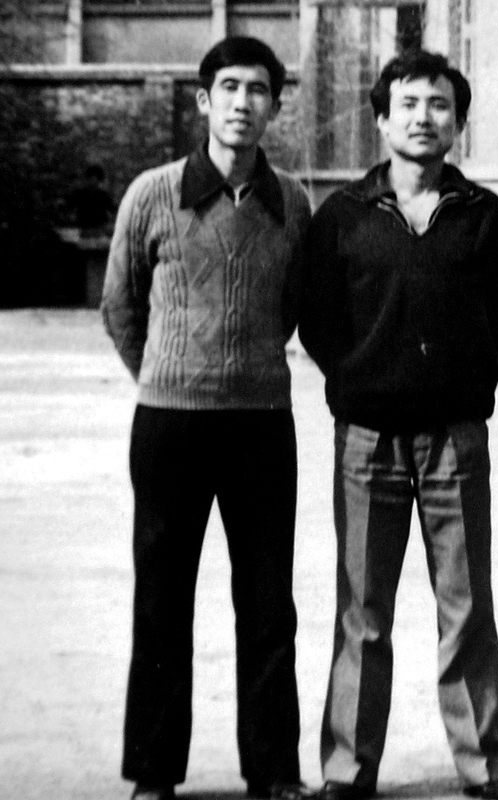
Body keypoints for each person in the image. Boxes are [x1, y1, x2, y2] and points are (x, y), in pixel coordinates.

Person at [297, 50, 498, 800]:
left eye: (439, 105)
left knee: (466, 606)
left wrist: (462, 382)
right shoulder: (343, 215)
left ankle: (485, 765)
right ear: (381, 119)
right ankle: (347, 768)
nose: (423, 117)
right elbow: (318, 320)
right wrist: (361, 378)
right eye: (408, 104)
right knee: (363, 608)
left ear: (457, 122)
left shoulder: (484, 216)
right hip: (366, 439)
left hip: (455, 436)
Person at [100, 36, 312, 800]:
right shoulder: (152, 194)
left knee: (268, 604)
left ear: (275, 106)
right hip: (170, 427)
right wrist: (168, 374)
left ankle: (274, 771)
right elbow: (120, 305)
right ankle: (154, 772)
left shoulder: (293, 202)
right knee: (163, 600)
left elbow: (294, 305)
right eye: (228, 87)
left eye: (258, 90)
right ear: (203, 100)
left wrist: (244, 364)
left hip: (262, 424)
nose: (242, 103)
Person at [67, 164, 116, 234]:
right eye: (91, 179)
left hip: (99, 228)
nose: (93, 181)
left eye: (95, 179)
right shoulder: (80, 194)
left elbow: (113, 210)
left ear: (99, 180)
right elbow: (70, 209)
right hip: (83, 227)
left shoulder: (104, 195)